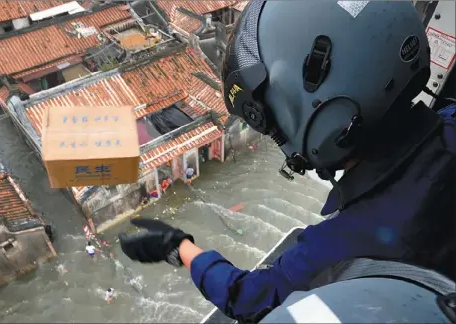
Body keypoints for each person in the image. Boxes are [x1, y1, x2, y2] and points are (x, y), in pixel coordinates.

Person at [118, 1, 456, 322]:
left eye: (271, 123)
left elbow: (248, 297)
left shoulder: (345, 243)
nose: (277, 137)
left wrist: (179, 246)